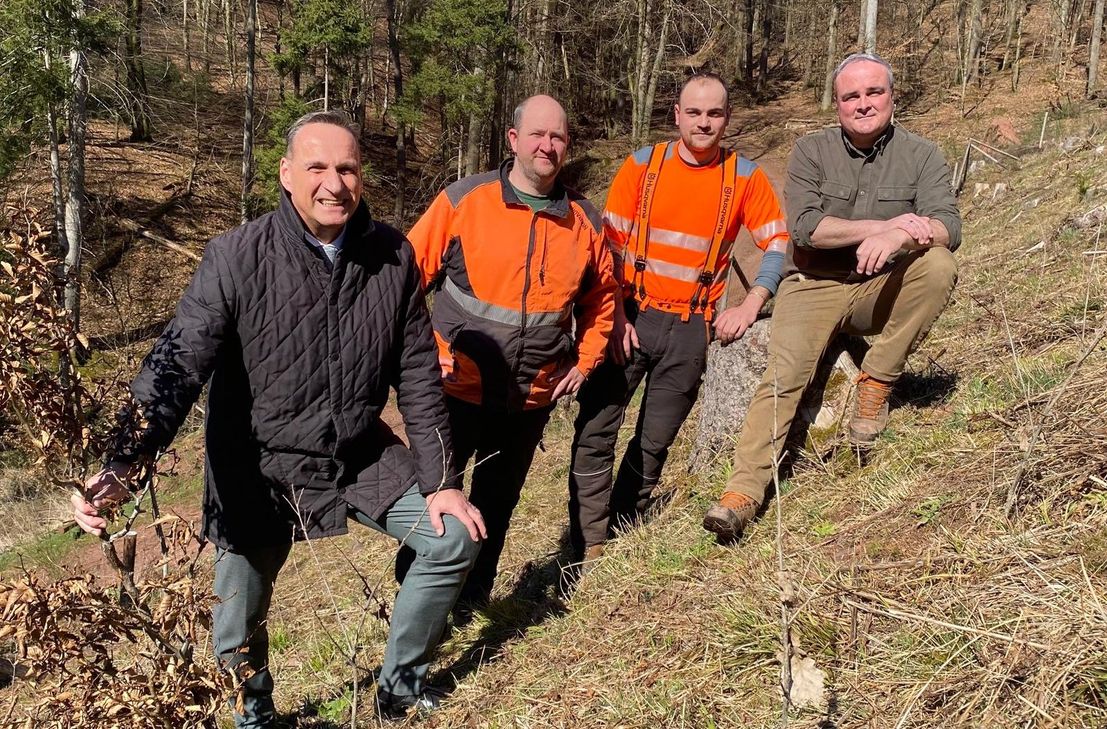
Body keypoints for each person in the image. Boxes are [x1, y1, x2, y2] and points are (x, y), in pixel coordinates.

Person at [71, 111, 486, 726]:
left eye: (347, 168)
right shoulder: (237, 257)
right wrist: (124, 458)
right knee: (240, 617)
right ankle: (254, 714)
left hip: (357, 453)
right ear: (287, 175)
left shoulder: (393, 257)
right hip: (258, 465)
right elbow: (178, 360)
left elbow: (420, 377)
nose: (334, 183)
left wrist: (443, 481)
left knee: (452, 539)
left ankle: (399, 686)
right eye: (317, 167)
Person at [703, 53, 961, 541]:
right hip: (813, 285)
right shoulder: (811, 151)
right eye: (851, 96)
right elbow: (806, 229)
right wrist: (885, 224)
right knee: (785, 375)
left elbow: (948, 226)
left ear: (892, 95)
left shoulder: (922, 154)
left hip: (877, 285)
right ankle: (743, 493)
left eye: (873, 93)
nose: (863, 104)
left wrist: (901, 240)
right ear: (838, 104)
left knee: (938, 265)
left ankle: (878, 379)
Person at [406, 94, 617, 616]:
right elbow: (403, 279)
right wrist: (427, 351)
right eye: (539, 134)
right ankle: (413, 607)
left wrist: (586, 360)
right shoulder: (465, 200)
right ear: (514, 140)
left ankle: (471, 600)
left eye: (559, 137)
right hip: (455, 389)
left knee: (496, 506)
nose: (548, 145)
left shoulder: (584, 221)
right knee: (435, 506)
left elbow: (603, 300)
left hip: (529, 398)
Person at [568, 73, 789, 563]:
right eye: (694, 112)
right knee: (596, 430)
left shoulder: (745, 177)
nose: (703, 122)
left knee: (654, 441)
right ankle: (586, 541)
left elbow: (777, 242)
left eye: (714, 114)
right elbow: (608, 251)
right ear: (677, 115)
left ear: (727, 119)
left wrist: (751, 303)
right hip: (630, 316)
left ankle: (624, 527)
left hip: (691, 329)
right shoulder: (644, 167)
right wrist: (615, 317)